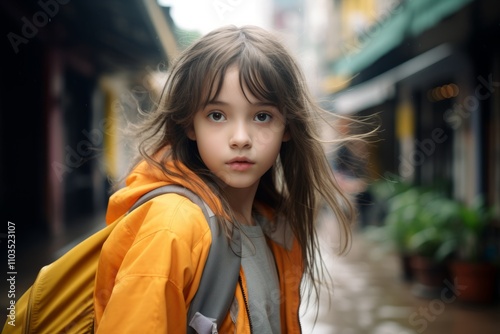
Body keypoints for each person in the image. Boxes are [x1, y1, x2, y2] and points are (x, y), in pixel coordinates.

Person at [93, 25, 357, 333]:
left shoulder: (274, 225)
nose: (241, 138)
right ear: (190, 124)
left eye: (262, 116)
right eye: (217, 115)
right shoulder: (171, 228)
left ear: (287, 127)